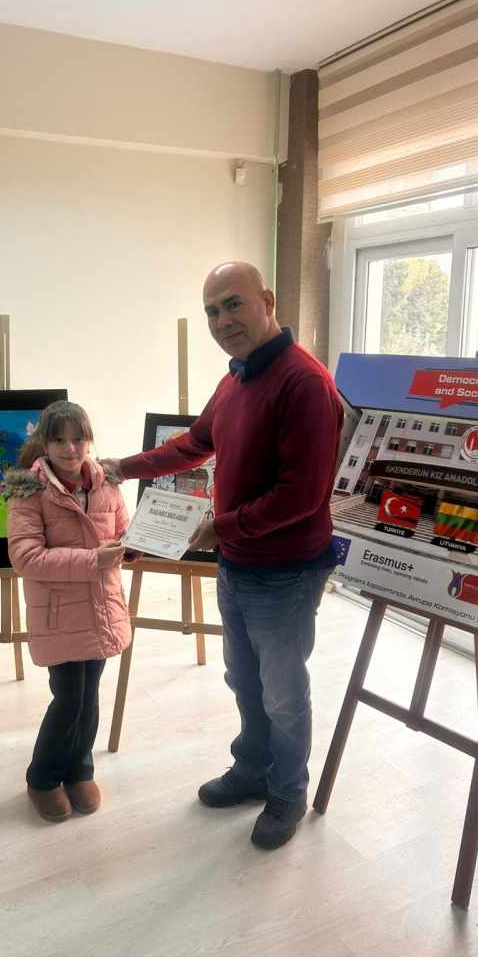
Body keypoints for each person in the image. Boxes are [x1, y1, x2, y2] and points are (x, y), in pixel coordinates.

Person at [102, 261, 343, 849]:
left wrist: (220, 529)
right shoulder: (235, 378)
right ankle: (254, 769)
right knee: (244, 677)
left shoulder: (304, 383)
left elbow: (300, 495)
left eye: (233, 304)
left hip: (285, 570)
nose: (221, 321)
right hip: (237, 562)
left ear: (267, 300)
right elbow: (195, 442)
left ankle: (288, 791)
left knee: (283, 692)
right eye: (212, 311)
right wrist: (122, 468)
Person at [5, 400, 141, 823]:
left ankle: (80, 770)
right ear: (44, 444)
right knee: (68, 699)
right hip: (59, 614)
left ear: (89, 440)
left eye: (78, 438)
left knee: (90, 696)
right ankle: (42, 777)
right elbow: (25, 558)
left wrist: (134, 546)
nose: (70, 448)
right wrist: (94, 559)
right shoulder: (29, 491)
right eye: (59, 440)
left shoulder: (107, 484)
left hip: (101, 608)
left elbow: (122, 530)